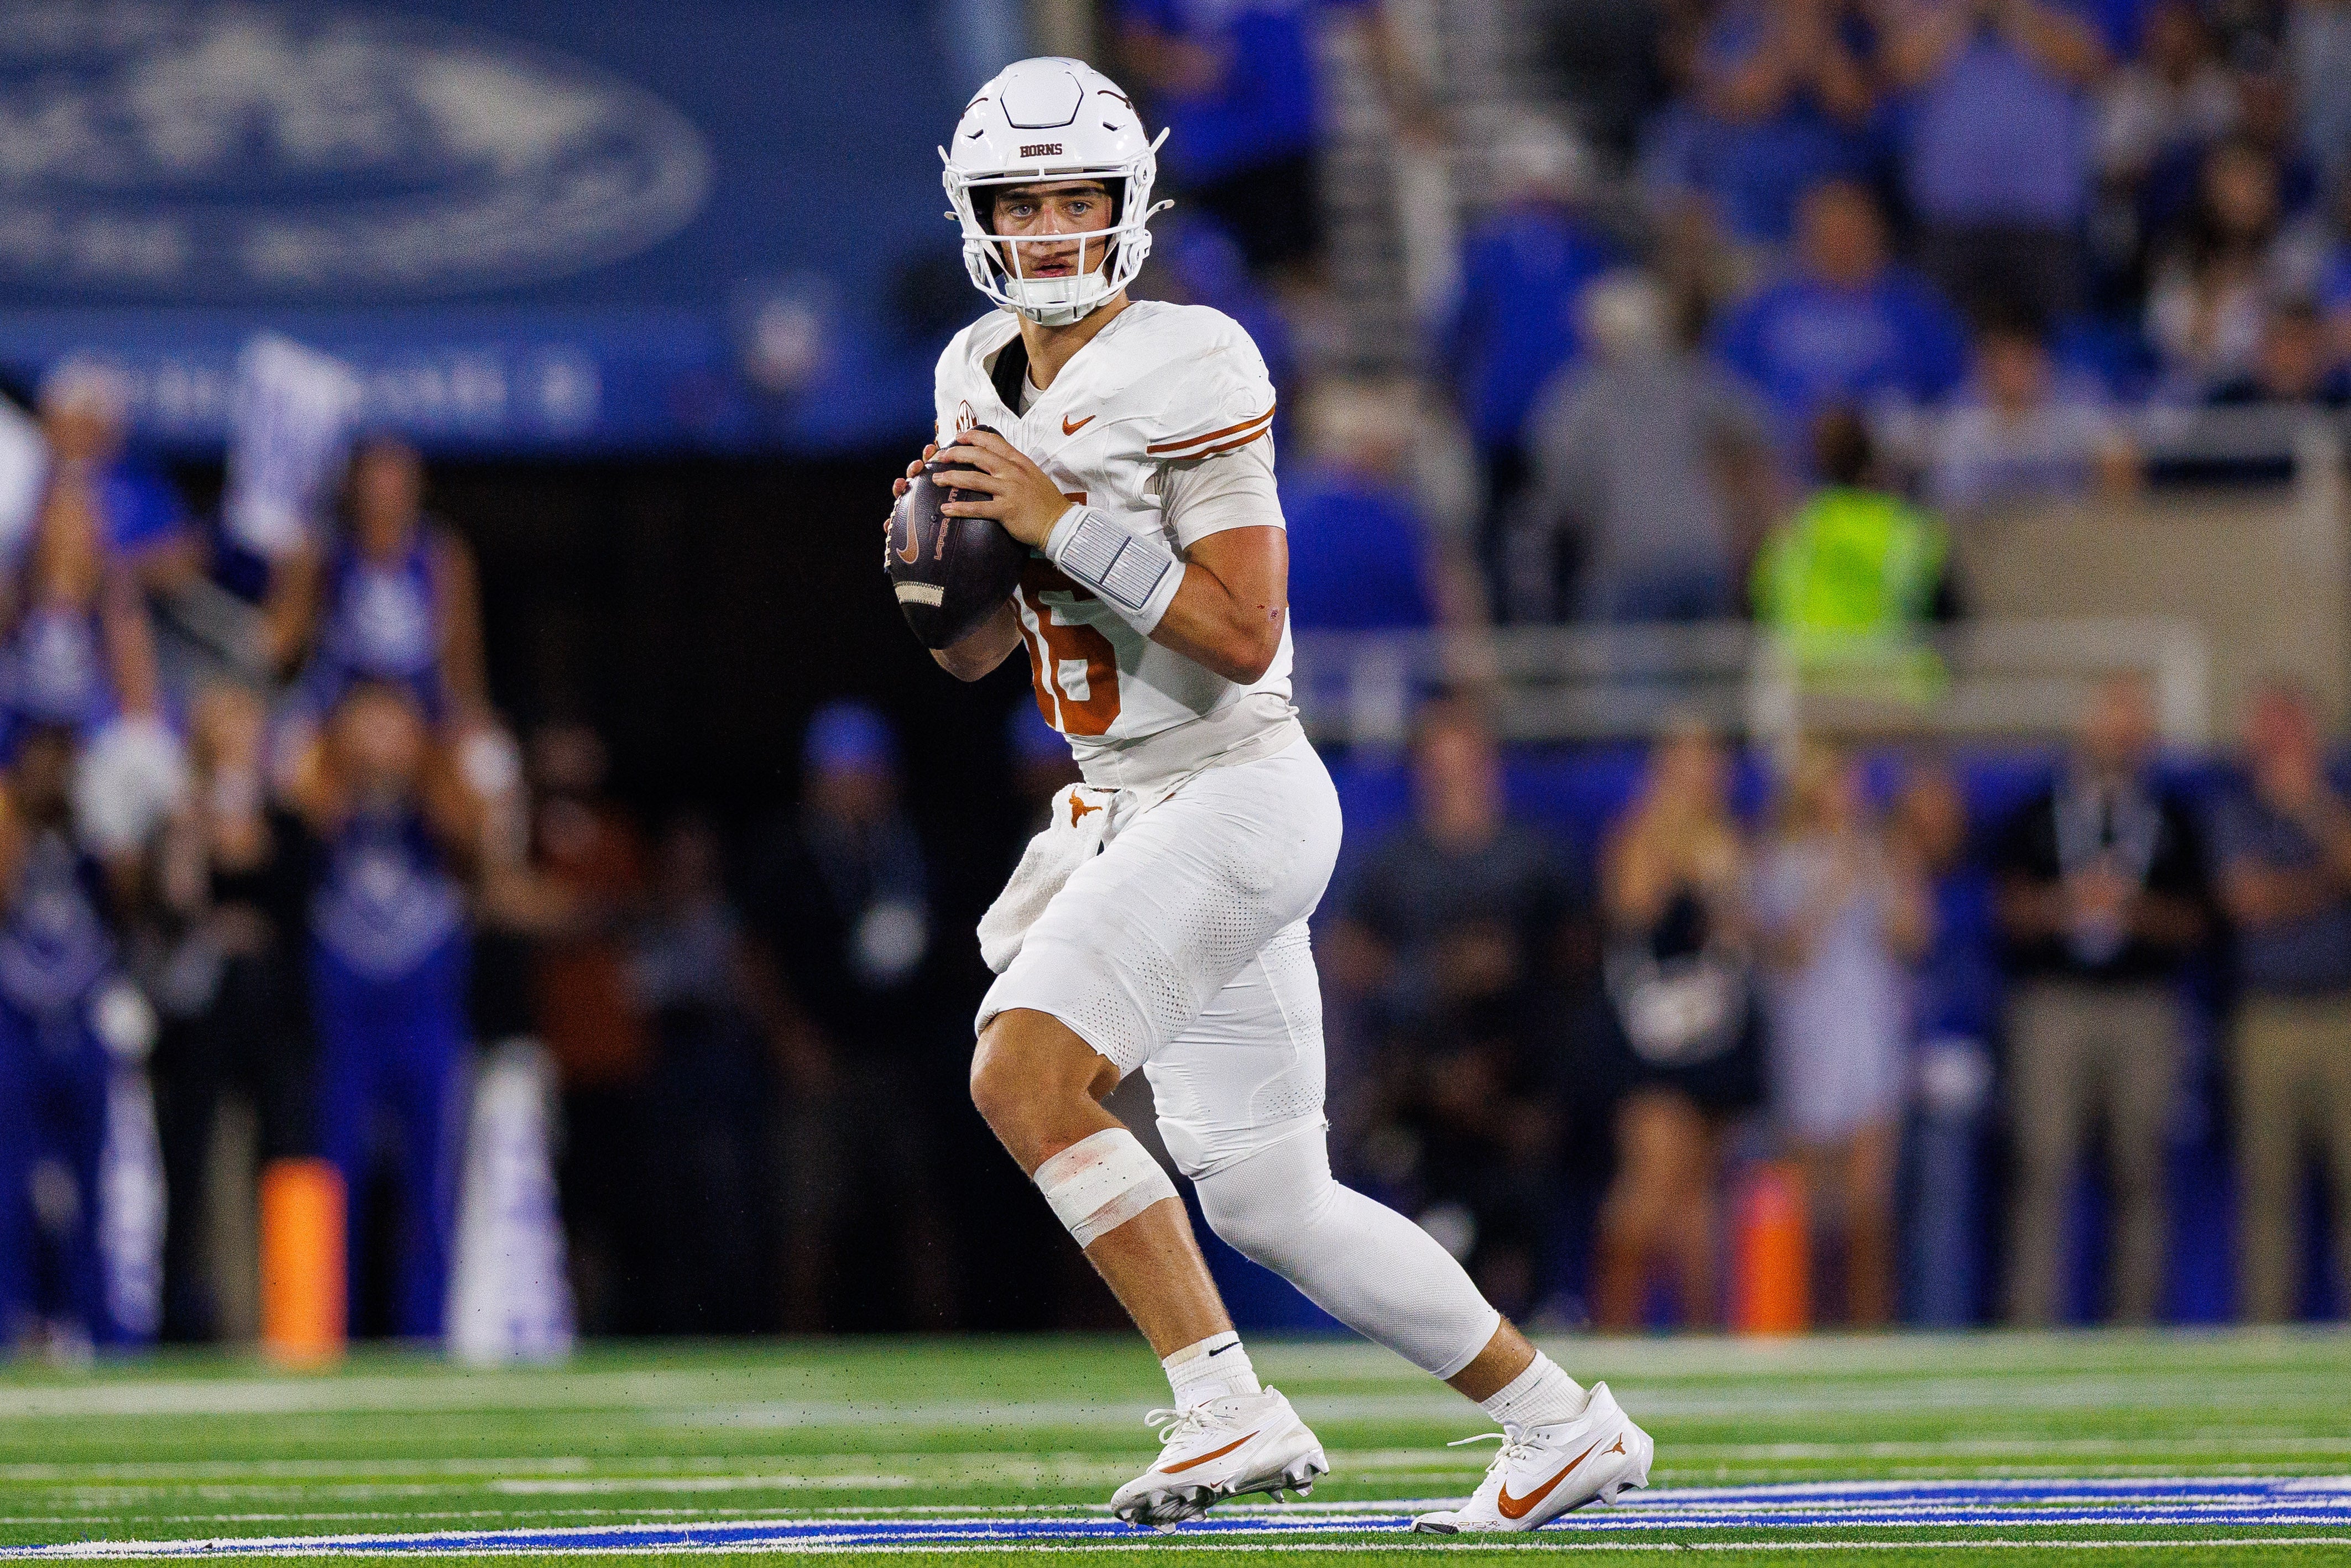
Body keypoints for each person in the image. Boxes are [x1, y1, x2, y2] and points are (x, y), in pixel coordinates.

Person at [902, 57, 1652, 1533]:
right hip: (1128, 795)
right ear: (976, 213)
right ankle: (1558, 1422)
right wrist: (938, 580)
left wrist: (1061, 519)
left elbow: (1243, 628)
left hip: (1234, 783)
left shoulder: (1195, 360)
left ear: (1130, 206)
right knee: (1263, 1194)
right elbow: (983, 649)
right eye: (1021, 201)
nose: (1051, 229)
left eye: (1077, 198)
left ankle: (1221, 1402)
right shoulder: (967, 371)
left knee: (1020, 1071)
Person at [1326, 697, 1586, 1317]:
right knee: (1430, 1197)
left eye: (1464, 762)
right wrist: (1431, 974)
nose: (1453, 778)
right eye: (1439, 763)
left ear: (1488, 765)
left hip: (1515, 1081)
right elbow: (1347, 957)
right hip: (1421, 1085)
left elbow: (1576, 961)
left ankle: (1539, 1301)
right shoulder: (1394, 862)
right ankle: (1435, 1310)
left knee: (1529, 1174)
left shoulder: (1531, 858)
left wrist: (1511, 975)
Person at [1992, 672, 2208, 1324]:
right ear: (2085, 728)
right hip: (2054, 1003)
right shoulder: (2039, 809)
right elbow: (2009, 910)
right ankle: (2030, 1322)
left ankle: (2135, 1322)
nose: (2118, 734)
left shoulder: (2170, 817)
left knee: (2140, 1168)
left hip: (2142, 1005)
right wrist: (2068, 903)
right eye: (2108, 719)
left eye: (2130, 722)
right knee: (2042, 1166)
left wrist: (2132, 910)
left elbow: (2197, 921)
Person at [745, 702, 957, 1332]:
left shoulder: (919, 846)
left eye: (866, 774)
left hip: (904, 1060)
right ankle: (799, 1345)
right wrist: (788, 1036)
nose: (855, 789)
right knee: (811, 1214)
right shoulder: (786, 854)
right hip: (822, 1060)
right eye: (841, 776)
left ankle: (942, 1342)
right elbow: (751, 951)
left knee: (921, 1208)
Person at [291, 682, 479, 1340]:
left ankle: (427, 1332)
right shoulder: (328, 782)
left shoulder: (436, 787)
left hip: (425, 1011)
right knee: (336, 1181)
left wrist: (423, 760)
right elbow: (304, 817)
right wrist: (347, 759)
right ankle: (326, 1330)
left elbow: (472, 842)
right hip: (347, 1018)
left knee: (430, 1190)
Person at [1590, 722, 1765, 1329]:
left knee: (1697, 1195)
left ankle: (1699, 1338)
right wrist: (1685, 867)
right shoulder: (1639, 838)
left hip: (1714, 1029)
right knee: (1647, 1187)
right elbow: (1632, 913)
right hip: (1654, 1034)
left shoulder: (1729, 839)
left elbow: (1743, 931)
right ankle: (1612, 1327)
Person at [1751, 743, 1931, 1326]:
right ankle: (1802, 1319)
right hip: (1808, 1033)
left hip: (1868, 1032)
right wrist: (1832, 884)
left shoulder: (1882, 853)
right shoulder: (1780, 859)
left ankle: (1870, 1323)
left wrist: (1893, 873)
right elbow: (1789, 951)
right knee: (1809, 1199)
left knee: (1869, 1200)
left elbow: (1912, 937)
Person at [2207, 680, 2351, 1322]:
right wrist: (2322, 882)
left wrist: (2315, 811)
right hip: (2265, 1015)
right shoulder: (2233, 812)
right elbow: (2247, 903)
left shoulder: (2333, 806)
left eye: (2290, 729)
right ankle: (2263, 1335)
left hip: (2339, 1012)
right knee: (2268, 1188)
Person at [1523, 270, 1778, 624]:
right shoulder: (1693, 377)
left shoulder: (1578, 396)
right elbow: (1762, 427)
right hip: (1703, 553)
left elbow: (1560, 485)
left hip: (1627, 560)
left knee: (1627, 675)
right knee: (1710, 676)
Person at [1436, 116, 1622, 578]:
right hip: (1568, 415)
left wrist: (1448, 389)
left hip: (1504, 415)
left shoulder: (1489, 247)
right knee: (1569, 531)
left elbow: (1454, 329)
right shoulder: (1589, 250)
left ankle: (1502, 623)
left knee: (1496, 527)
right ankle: (1565, 627)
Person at [1883, 0, 2111, 323]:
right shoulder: (1933, 10)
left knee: (2053, 344)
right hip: (1950, 216)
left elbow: (2089, 65)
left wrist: (2012, 12)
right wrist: (1964, 13)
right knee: (1943, 341)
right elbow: (1900, 70)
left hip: (2042, 216)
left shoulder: (2060, 9)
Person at [1715, 180, 1971, 447]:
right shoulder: (1766, 311)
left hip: (1883, 467)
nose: (1840, 243)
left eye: (1850, 232)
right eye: (1829, 232)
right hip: (1781, 468)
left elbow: (1955, 393)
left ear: (1875, 234)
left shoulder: (1915, 310)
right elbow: (1725, 390)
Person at [1686, 0, 1883, 248]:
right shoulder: (1738, 24)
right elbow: (1730, 101)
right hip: (1751, 222)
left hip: (1835, 226)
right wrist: (1785, 50)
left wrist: (1818, 49)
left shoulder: (1855, 29)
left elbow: (1857, 106)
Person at [1927, 310, 2139, 516]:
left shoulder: (2076, 401)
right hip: (1988, 536)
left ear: (2041, 359)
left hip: (2067, 534)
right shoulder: (1961, 417)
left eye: (2021, 359)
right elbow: (1949, 503)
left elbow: (2120, 458)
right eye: (2001, 360)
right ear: (1983, 364)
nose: (2011, 372)